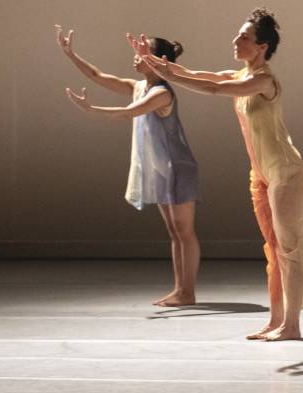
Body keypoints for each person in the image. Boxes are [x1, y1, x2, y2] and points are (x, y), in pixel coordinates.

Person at [141, 8, 303, 341]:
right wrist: (156, 63)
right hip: (260, 175)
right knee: (272, 248)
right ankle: (276, 320)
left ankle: (292, 325)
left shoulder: (263, 80)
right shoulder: (239, 75)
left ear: (261, 47)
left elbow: (215, 91)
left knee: (289, 248)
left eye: (244, 36)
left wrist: (169, 77)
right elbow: (200, 75)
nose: (236, 40)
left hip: (285, 172)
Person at [58, 26, 201, 307]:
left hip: (178, 168)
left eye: (142, 50)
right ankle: (180, 290)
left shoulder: (162, 93)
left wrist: (91, 110)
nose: (135, 55)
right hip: (162, 170)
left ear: (158, 59)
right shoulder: (139, 87)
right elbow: (98, 76)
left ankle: (188, 291)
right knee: (174, 232)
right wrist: (71, 54)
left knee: (184, 231)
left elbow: (129, 113)